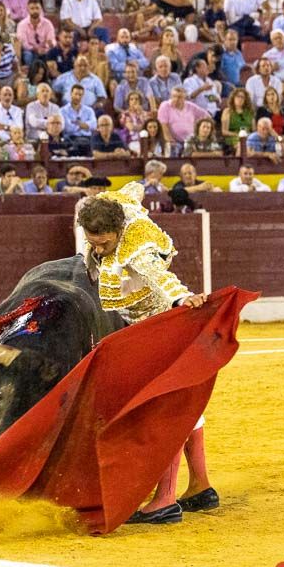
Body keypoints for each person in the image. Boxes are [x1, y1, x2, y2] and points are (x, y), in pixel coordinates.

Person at [76, 184, 211, 524]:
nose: (100, 249)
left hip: (157, 328)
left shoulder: (136, 248)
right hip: (142, 327)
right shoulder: (118, 207)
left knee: (160, 410)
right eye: (94, 243)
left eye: (105, 242)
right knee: (184, 407)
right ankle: (200, 486)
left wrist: (182, 298)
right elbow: (132, 189)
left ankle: (164, 500)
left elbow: (159, 275)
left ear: (118, 230)